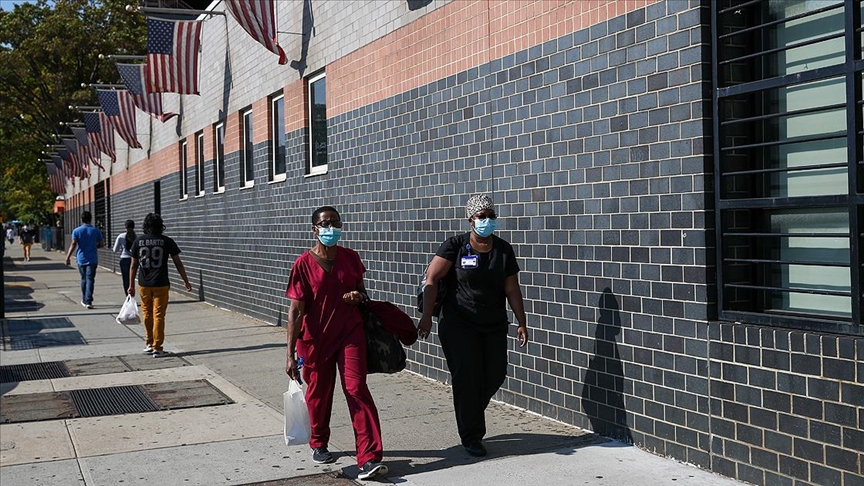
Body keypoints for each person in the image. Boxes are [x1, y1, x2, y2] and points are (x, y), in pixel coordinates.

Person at [417, 194, 529, 458]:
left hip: (493, 323)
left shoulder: (503, 250)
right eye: (482, 216)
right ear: (471, 219)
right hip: (458, 323)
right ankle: (472, 436)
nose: (487, 220)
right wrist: (427, 316)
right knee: (467, 377)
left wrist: (522, 322)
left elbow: (512, 288)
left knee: (496, 374)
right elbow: (431, 280)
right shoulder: (455, 246)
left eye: (491, 216)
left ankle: (470, 412)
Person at [284, 206, 387, 481]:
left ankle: (369, 456)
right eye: (325, 224)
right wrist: (290, 354)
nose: (331, 228)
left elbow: (363, 293)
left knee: (356, 388)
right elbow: (295, 312)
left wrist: (357, 296)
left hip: (350, 334)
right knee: (319, 393)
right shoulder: (303, 265)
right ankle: (318, 441)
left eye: (335, 223)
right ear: (314, 229)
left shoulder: (350, 258)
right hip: (315, 340)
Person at [127, 213, 192, 357]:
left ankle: (149, 343)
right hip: (161, 282)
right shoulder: (166, 241)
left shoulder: (138, 241)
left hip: (144, 283)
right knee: (159, 315)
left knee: (147, 313)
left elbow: (133, 265)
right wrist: (186, 280)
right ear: (160, 225)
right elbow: (178, 263)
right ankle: (157, 347)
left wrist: (131, 285)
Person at [64, 211, 105, 309]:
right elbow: (102, 244)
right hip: (92, 259)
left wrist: (68, 257)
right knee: (90, 279)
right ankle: (88, 300)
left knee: (83, 279)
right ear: (91, 219)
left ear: (81, 220)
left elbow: (73, 244)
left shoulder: (76, 231)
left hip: (81, 258)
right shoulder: (96, 231)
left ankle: (84, 299)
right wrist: (94, 246)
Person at [112, 220, 136, 296]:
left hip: (124, 259)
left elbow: (115, 250)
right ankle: (132, 293)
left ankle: (128, 295)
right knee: (132, 278)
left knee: (125, 279)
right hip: (133, 259)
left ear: (125, 227)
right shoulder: (136, 237)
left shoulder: (121, 236)